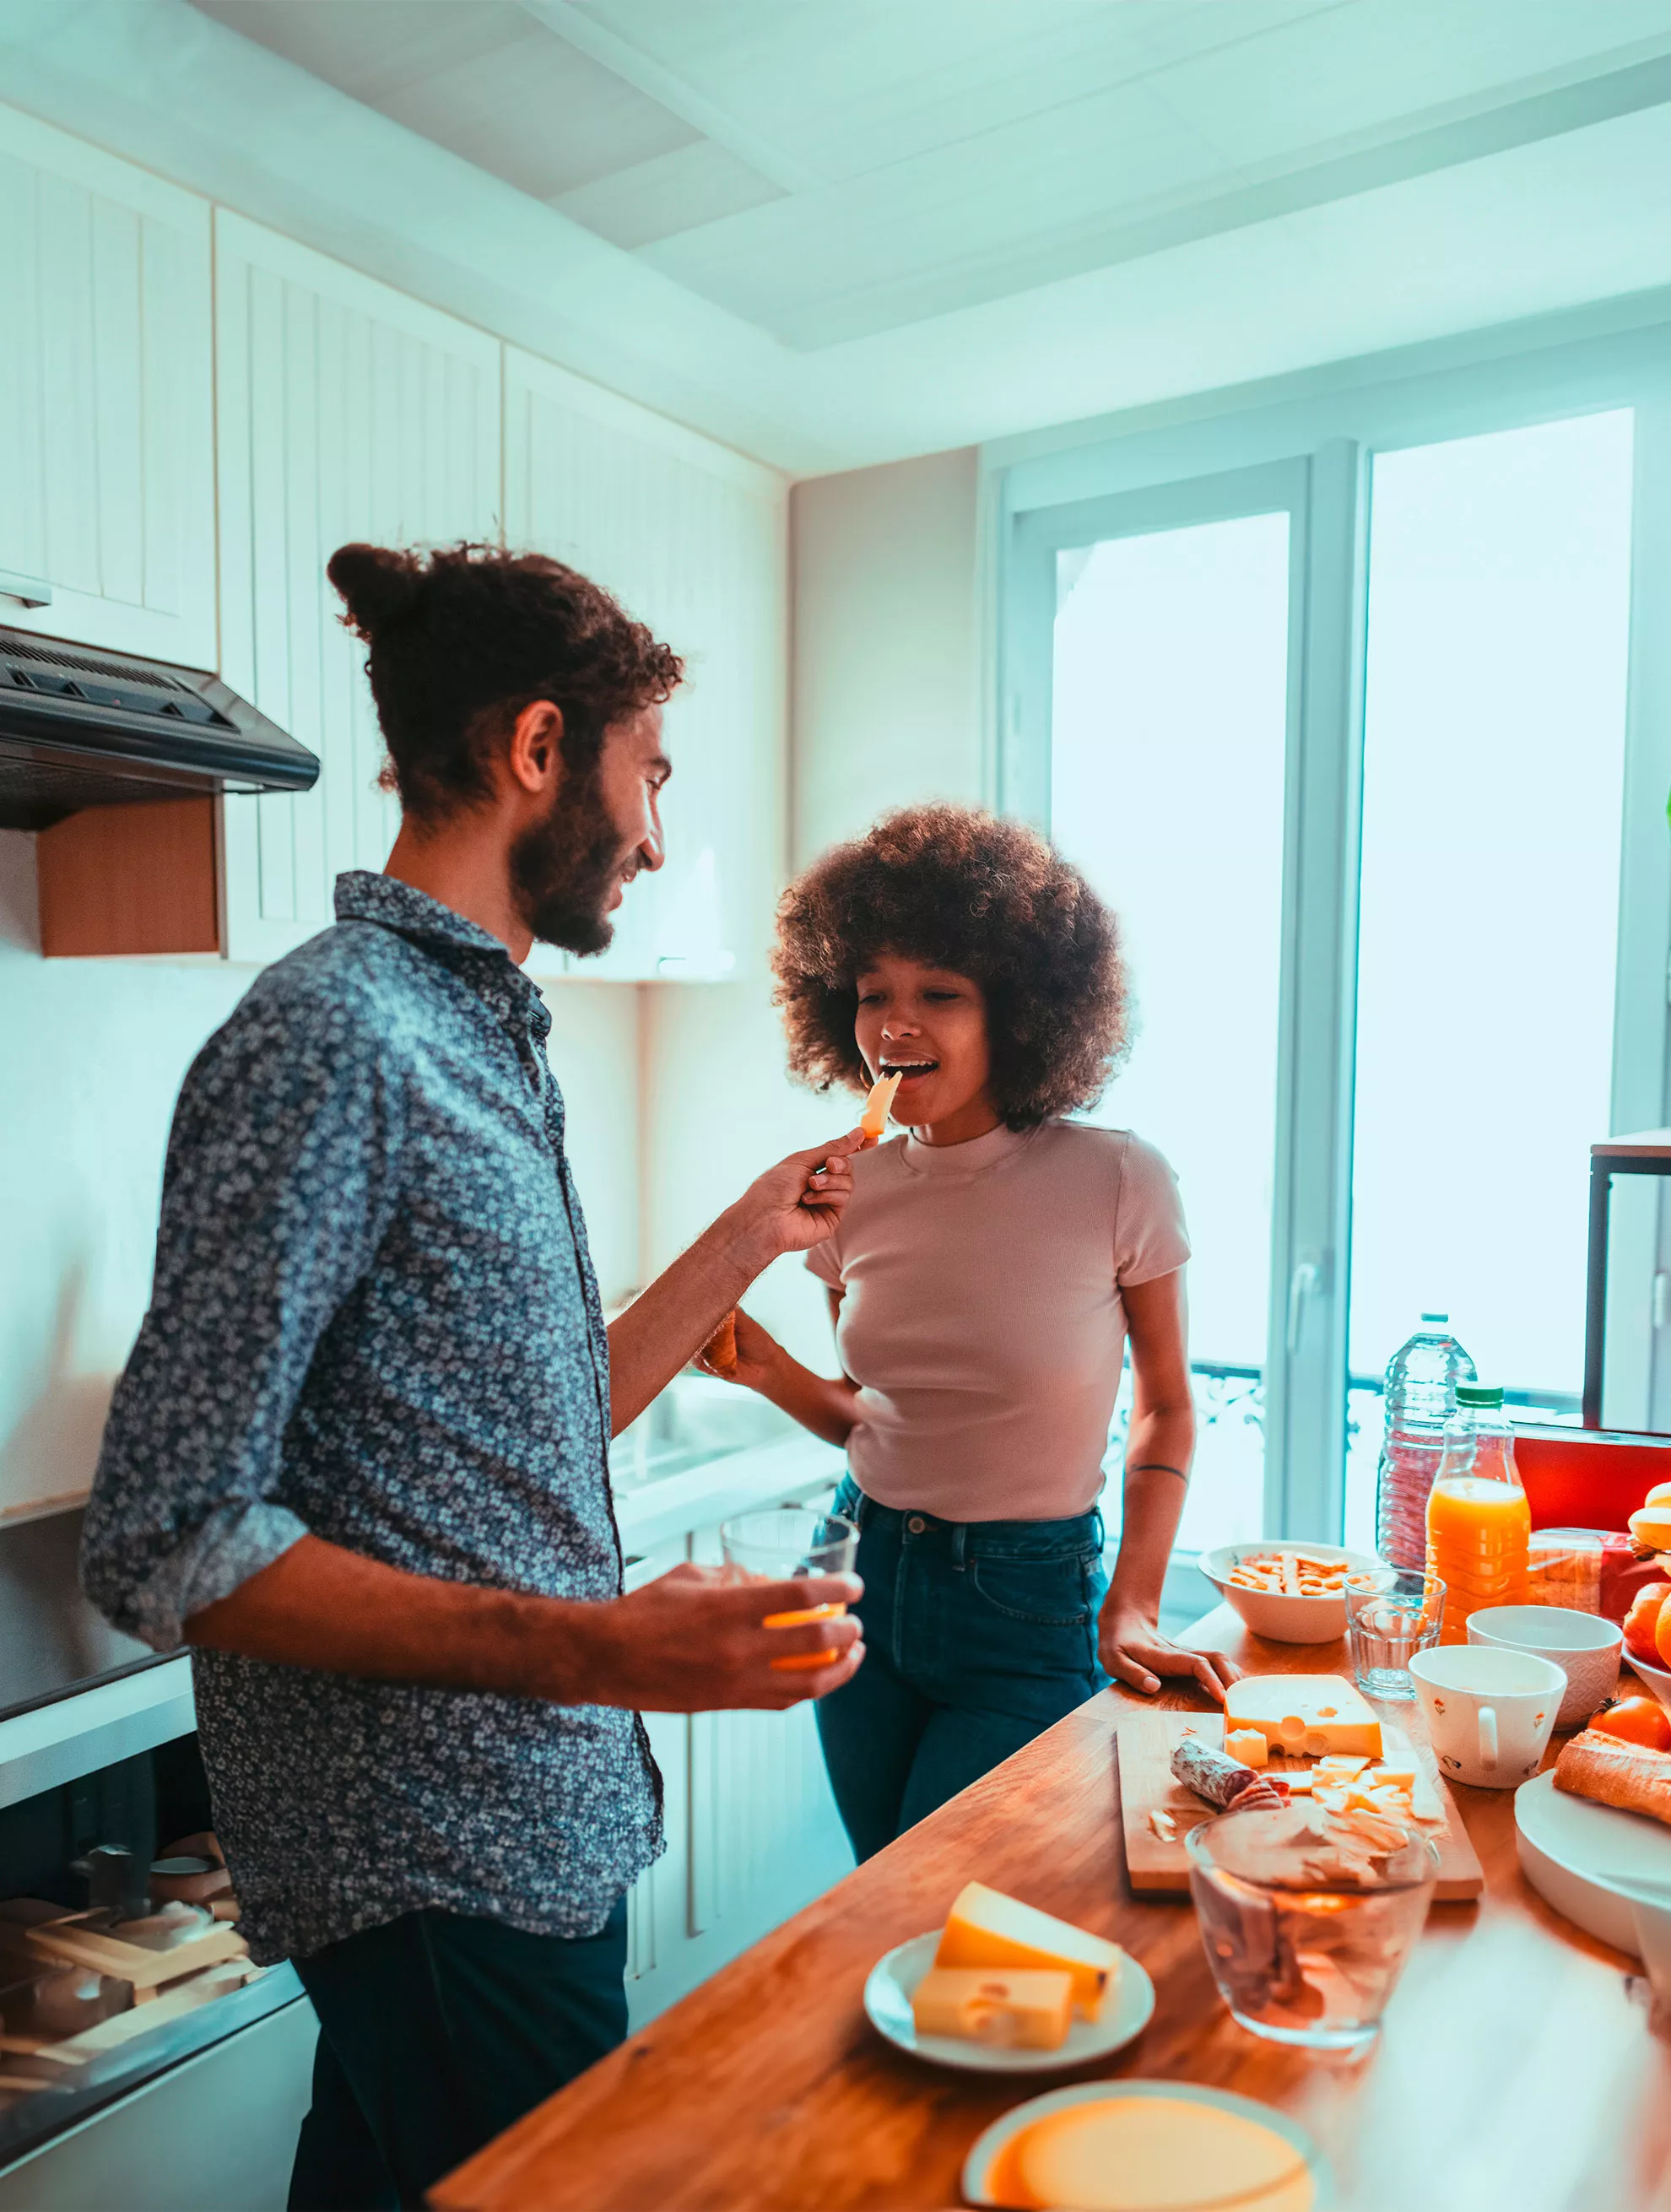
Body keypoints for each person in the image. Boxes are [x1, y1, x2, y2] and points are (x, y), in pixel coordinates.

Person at [79, 542, 867, 2211]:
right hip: (435, 1852)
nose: (656, 830)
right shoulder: (336, 1036)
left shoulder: (475, 1029)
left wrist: (740, 1236)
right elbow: (163, 1534)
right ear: (537, 746)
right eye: (649, 771)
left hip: (521, 1822)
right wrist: (602, 1641)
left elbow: (529, 1422)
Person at [703, 804, 1239, 1863]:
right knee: (878, 1897)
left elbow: (1170, 1403)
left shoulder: (1117, 1178)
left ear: (1023, 1009)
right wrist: (766, 1368)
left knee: (941, 1897)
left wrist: (1130, 1603)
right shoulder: (850, 1192)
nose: (896, 1026)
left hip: (1025, 1599)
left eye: (939, 993)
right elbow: (876, 1416)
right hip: (858, 1571)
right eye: (872, 996)